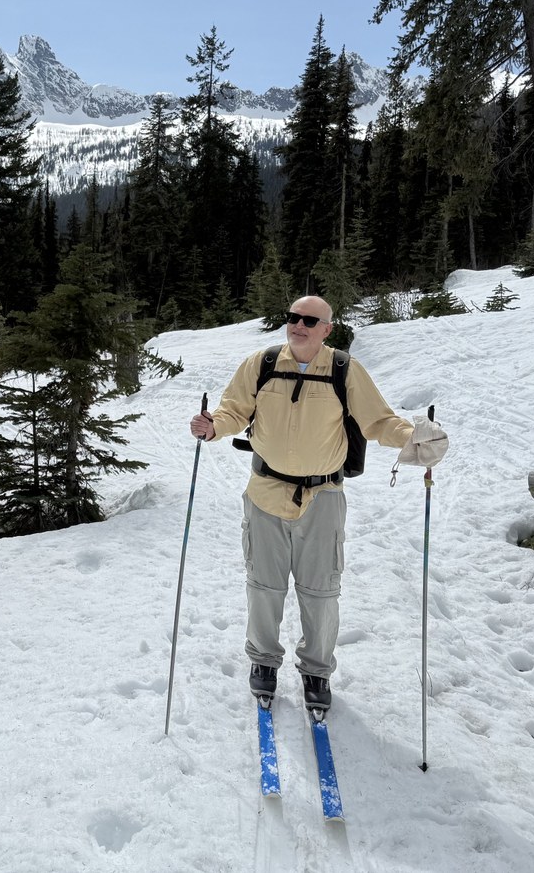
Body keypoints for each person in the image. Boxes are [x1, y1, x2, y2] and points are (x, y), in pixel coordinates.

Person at [188, 295, 447, 713]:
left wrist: (415, 437)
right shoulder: (262, 364)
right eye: (293, 317)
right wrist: (212, 426)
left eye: (310, 320)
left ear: (327, 329)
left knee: (321, 591)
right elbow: (234, 411)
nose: (299, 325)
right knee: (263, 586)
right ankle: (263, 661)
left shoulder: (344, 370)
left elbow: (379, 421)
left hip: (323, 497)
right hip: (265, 492)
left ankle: (317, 670)